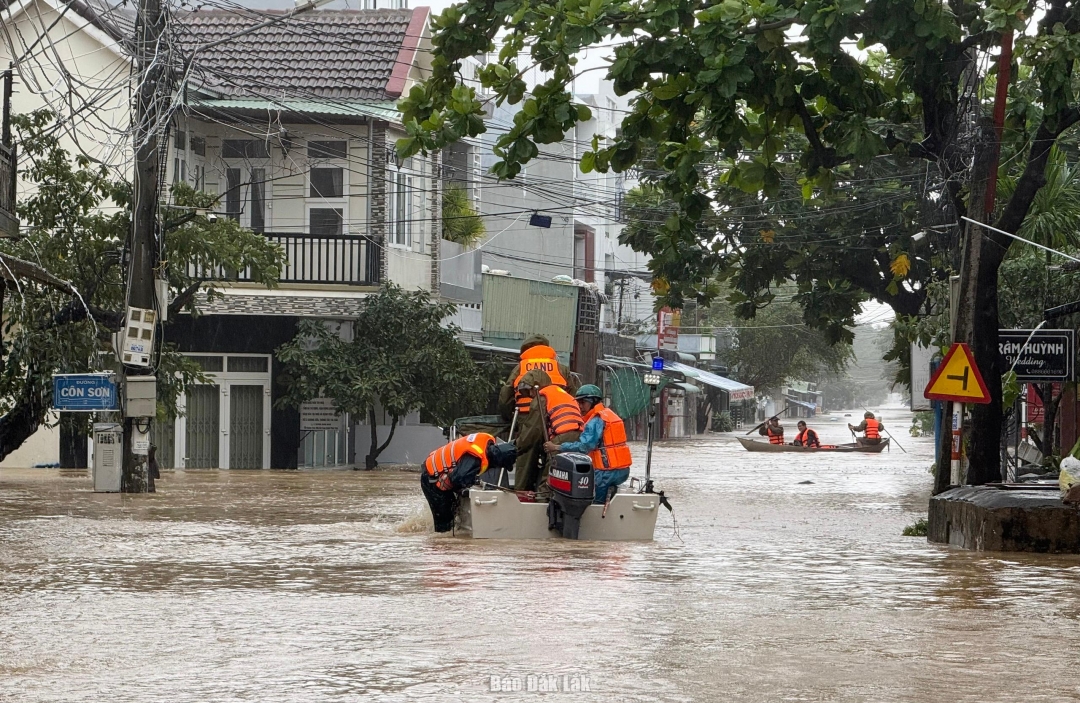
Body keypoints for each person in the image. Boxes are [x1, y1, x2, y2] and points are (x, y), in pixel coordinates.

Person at [544, 384, 632, 504]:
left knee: (593, 505)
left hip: (604, 473)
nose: (580, 406)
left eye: (583, 402)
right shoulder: (609, 415)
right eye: (578, 403)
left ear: (594, 401)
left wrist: (557, 447)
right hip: (622, 471)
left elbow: (584, 447)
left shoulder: (595, 421)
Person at [421, 432, 517, 532]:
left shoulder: (486, 440)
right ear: (498, 460)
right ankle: (440, 544)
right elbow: (457, 478)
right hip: (431, 478)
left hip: (433, 466)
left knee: (454, 511)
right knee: (445, 525)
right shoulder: (475, 457)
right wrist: (471, 481)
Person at [514, 369, 583, 498]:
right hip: (579, 438)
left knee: (548, 482)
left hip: (560, 438)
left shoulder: (542, 398)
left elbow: (533, 430)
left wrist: (516, 447)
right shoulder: (565, 394)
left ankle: (541, 508)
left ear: (536, 385)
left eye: (530, 391)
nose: (531, 395)